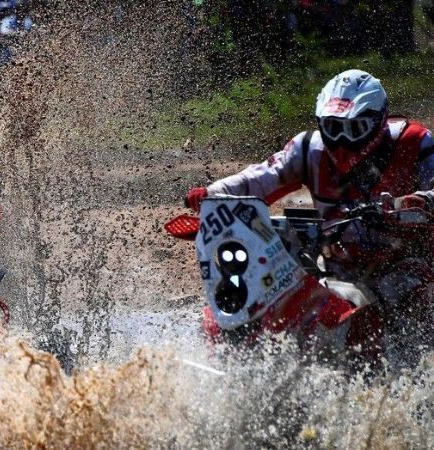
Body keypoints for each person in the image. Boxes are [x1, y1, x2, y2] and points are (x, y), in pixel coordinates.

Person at [184, 69, 434, 347]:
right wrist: (213, 194)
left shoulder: (416, 143)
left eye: (354, 130)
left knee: (405, 289)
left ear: (378, 122)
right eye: (331, 128)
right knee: (273, 261)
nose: (340, 142)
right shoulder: (309, 149)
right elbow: (259, 178)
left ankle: (415, 362)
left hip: (406, 265)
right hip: (340, 268)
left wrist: (420, 201)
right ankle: (246, 338)